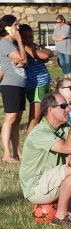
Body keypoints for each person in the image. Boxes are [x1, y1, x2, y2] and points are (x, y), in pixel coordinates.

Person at [19, 92, 71, 226]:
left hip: (61, 181)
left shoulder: (65, 128)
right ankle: (61, 216)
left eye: (68, 106)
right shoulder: (40, 132)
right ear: (50, 110)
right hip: (37, 187)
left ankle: (58, 203)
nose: (68, 109)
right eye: (63, 106)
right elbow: (69, 147)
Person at [0, 15, 27, 163]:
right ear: (7, 27)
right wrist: (20, 40)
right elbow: (22, 59)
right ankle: (6, 154)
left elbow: (25, 62)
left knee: (17, 119)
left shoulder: (13, 44)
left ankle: (17, 152)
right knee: (10, 118)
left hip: (19, 84)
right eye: (16, 25)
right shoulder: (5, 43)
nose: (18, 27)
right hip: (10, 84)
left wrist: (22, 60)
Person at [20, 24, 54, 134]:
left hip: (43, 85)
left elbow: (50, 53)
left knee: (40, 117)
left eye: (31, 37)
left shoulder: (33, 46)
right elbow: (44, 56)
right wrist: (37, 49)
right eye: (25, 38)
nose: (29, 40)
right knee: (34, 118)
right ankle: (29, 144)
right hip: (36, 87)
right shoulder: (24, 48)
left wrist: (38, 48)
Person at [52, 15, 71, 79]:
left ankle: (69, 77)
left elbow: (63, 36)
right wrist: (59, 38)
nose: (58, 23)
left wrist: (58, 38)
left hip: (66, 48)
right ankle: (65, 76)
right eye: (57, 22)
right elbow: (53, 37)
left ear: (63, 20)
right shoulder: (56, 27)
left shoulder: (67, 27)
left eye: (59, 22)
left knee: (67, 63)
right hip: (59, 48)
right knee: (62, 63)